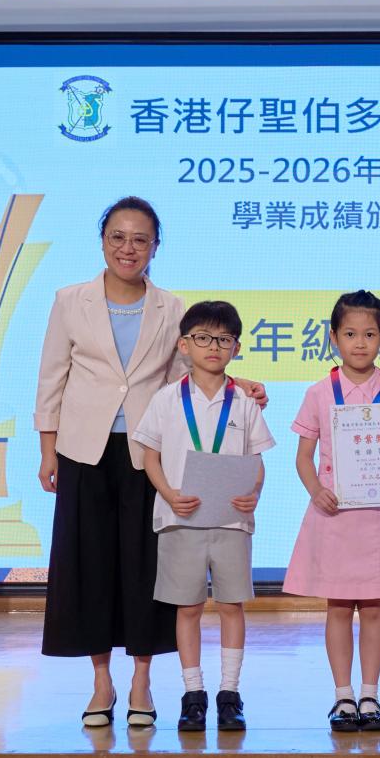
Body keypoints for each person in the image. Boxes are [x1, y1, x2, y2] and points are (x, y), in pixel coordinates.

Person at [34, 196, 265, 727]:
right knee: (90, 565)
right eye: (118, 237)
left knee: (146, 569)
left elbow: (186, 376)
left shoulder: (171, 307)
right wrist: (48, 449)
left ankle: (142, 679)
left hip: (151, 455)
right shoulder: (69, 301)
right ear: (102, 241)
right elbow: (51, 377)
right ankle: (101, 682)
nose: (128, 248)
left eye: (140, 239)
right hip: (83, 450)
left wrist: (240, 384)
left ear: (155, 246)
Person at [281, 291, 380, 733]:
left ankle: (370, 694)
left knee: (375, 609)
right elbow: (303, 457)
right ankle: (342, 696)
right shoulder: (318, 392)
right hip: (335, 516)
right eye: (349, 334)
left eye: (369, 334)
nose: (359, 343)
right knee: (339, 608)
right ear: (333, 338)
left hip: (379, 516)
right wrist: (316, 491)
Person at [132, 301, 275, 733]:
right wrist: (169, 495)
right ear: (184, 345)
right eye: (203, 338)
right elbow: (150, 456)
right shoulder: (166, 398)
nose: (214, 346)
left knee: (231, 606)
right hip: (180, 519)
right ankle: (192, 694)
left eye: (224, 339)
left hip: (231, 521)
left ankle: (230, 693)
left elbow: (256, 460)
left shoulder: (245, 402)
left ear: (236, 348)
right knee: (188, 607)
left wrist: (254, 494)